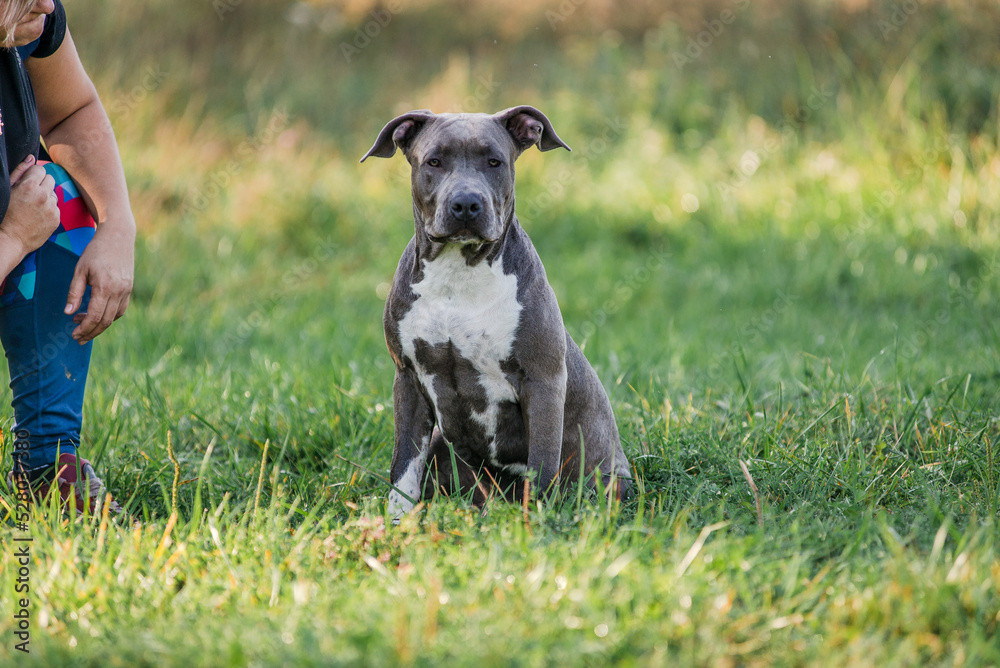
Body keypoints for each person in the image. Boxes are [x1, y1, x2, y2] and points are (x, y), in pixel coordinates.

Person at [1, 0, 135, 516]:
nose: (48, 4)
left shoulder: (27, 20)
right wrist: (13, 236)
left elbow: (72, 109)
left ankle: (46, 462)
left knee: (61, 198)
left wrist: (118, 223)